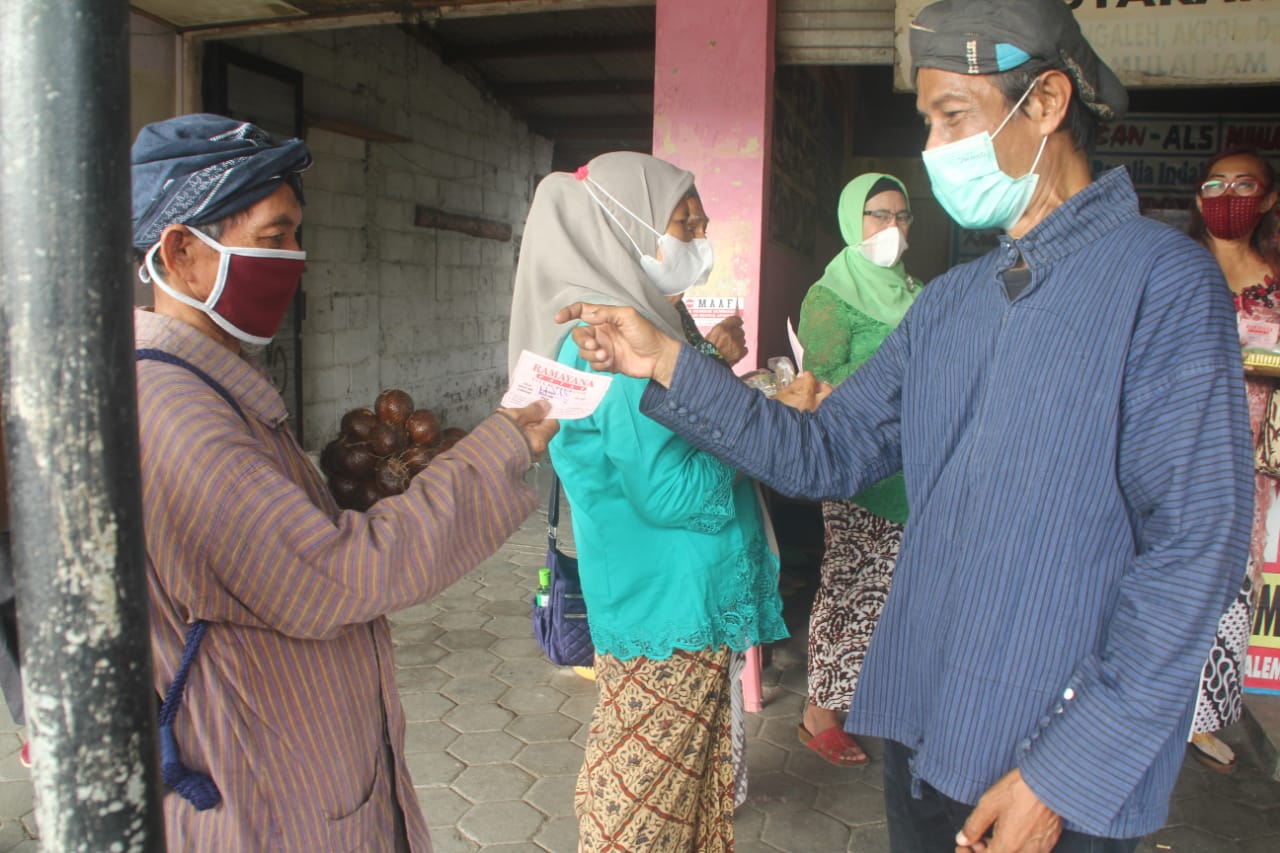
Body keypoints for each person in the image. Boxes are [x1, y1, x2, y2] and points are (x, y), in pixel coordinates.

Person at [554, 1, 1254, 850]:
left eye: (953, 116)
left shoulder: (1164, 285)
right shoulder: (952, 302)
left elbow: (1195, 551)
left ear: (1046, 103)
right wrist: (667, 361)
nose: (933, 150)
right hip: (922, 726)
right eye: (927, 121)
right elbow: (822, 449)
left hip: (1050, 761)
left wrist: (1066, 770)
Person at [130, 114, 557, 851]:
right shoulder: (179, 416)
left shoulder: (206, 383)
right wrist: (501, 446)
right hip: (263, 793)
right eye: (273, 237)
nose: (296, 257)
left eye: (296, 234)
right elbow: (341, 570)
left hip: (284, 756)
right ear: (181, 252)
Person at [508, 151, 787, 851]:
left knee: (661, 790)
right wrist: (755, 423)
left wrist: (725, 388)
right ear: (624, 229)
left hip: (650, 597)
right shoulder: (611, 342)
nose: (698, 240)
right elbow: (669, 488)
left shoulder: (605, 328)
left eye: (701, 221)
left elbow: (667, 433)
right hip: (672, 601)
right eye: (682, 224)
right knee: (646, 812)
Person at [796, 172, 920, 767]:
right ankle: (820, 711)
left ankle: (877, 701)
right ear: (853, 220)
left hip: (916, 467)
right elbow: (817, 387)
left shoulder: (917, 292)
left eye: (901, 216)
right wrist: (895, 387)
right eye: (878, 214)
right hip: (857, 469)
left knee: (897, 593)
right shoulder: (829, 297)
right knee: (851, 584)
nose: (891, 227)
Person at [1186, 147, 1280, 772]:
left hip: (1250, 465)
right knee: (1165, 580)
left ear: (1269, 200)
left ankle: (1196, 717)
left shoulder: (1277, 284)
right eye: (1216, 184)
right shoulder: (1174, 271)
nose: (1229, 195)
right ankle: (1142, 708)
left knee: (1230, 590)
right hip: (1177, 456)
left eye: (1245, 184)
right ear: (1198, 200)